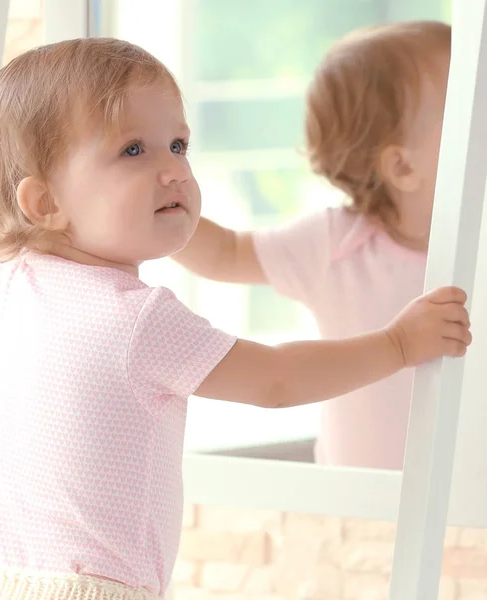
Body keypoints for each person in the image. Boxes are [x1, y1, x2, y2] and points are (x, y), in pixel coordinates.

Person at [0, 36, 468, 600]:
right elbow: (276, 381)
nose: (175, 169)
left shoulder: (13, 286)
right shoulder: (139, 321)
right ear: (44, 202)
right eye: (135, 150)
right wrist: (398, 345)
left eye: (178, 144)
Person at [174, 21, 452, 470]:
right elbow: (225, 253)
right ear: (402, 166)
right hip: (357, 495)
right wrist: (160, 212)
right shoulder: (334, 243)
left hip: (464, 501)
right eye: (467, 109)